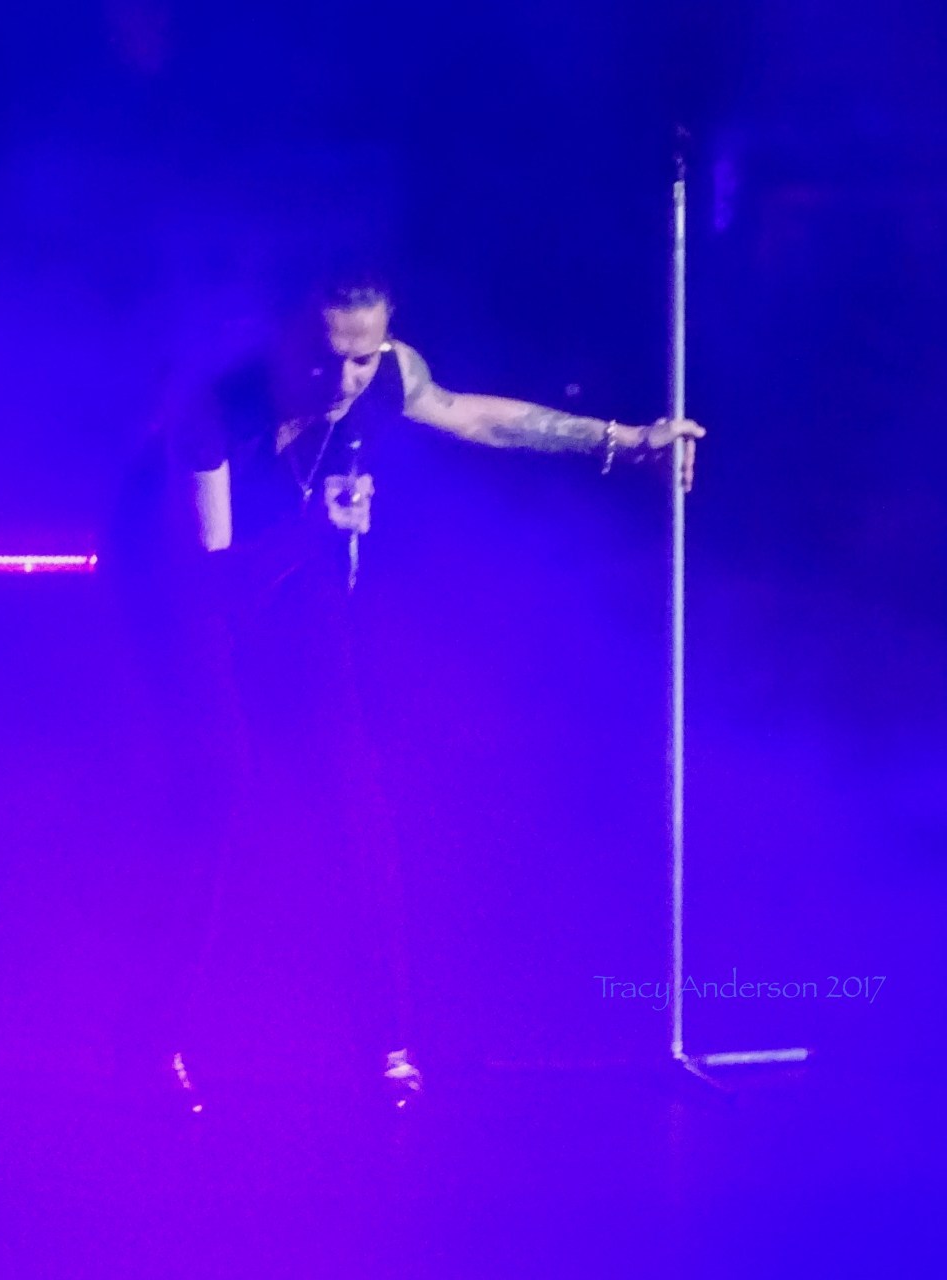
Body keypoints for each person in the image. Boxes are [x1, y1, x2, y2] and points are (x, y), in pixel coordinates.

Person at [163, 266, 705, 1107]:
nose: (345, 380)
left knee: (362, 826)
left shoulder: (389, 372)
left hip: (310, 636)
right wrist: (307, 532)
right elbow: (212, 587)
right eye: (326, 359)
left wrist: (624, 440)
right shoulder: (221, 412)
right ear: (290, 342)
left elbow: (474, 414)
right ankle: (158, 1044)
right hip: (205, 643)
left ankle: (386, 1046)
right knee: (218, 817)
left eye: (363, 358)